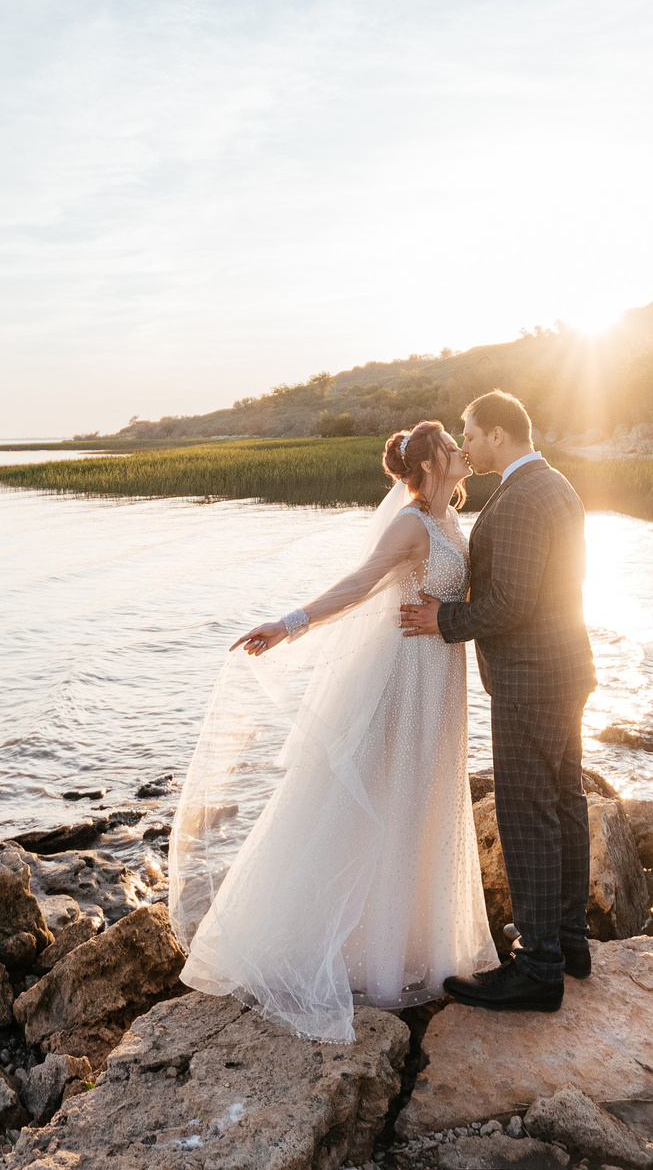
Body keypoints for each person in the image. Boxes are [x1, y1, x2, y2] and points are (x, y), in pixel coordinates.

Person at [167, 420, 497, 1041]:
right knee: (378, 800)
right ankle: (335, 950)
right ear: (430, 465)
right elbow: (358, 584)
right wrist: (289, 623)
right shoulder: (411, 524)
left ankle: (411, 945)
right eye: (452, 447)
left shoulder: (452, 518)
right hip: (405, 678)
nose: (462, 452)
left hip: (439, 681)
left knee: (423, 800)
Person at [399, 389, 593, 1013]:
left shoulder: (519, 498)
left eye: (470, 433)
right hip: (563, 670)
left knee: (527, 815)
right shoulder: (554, 484)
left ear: (498, 435)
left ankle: (538, 967)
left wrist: (443, 619)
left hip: (530, 680)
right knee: (564, 804)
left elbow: (511, 603)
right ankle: (568, 940)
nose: (467, 445)